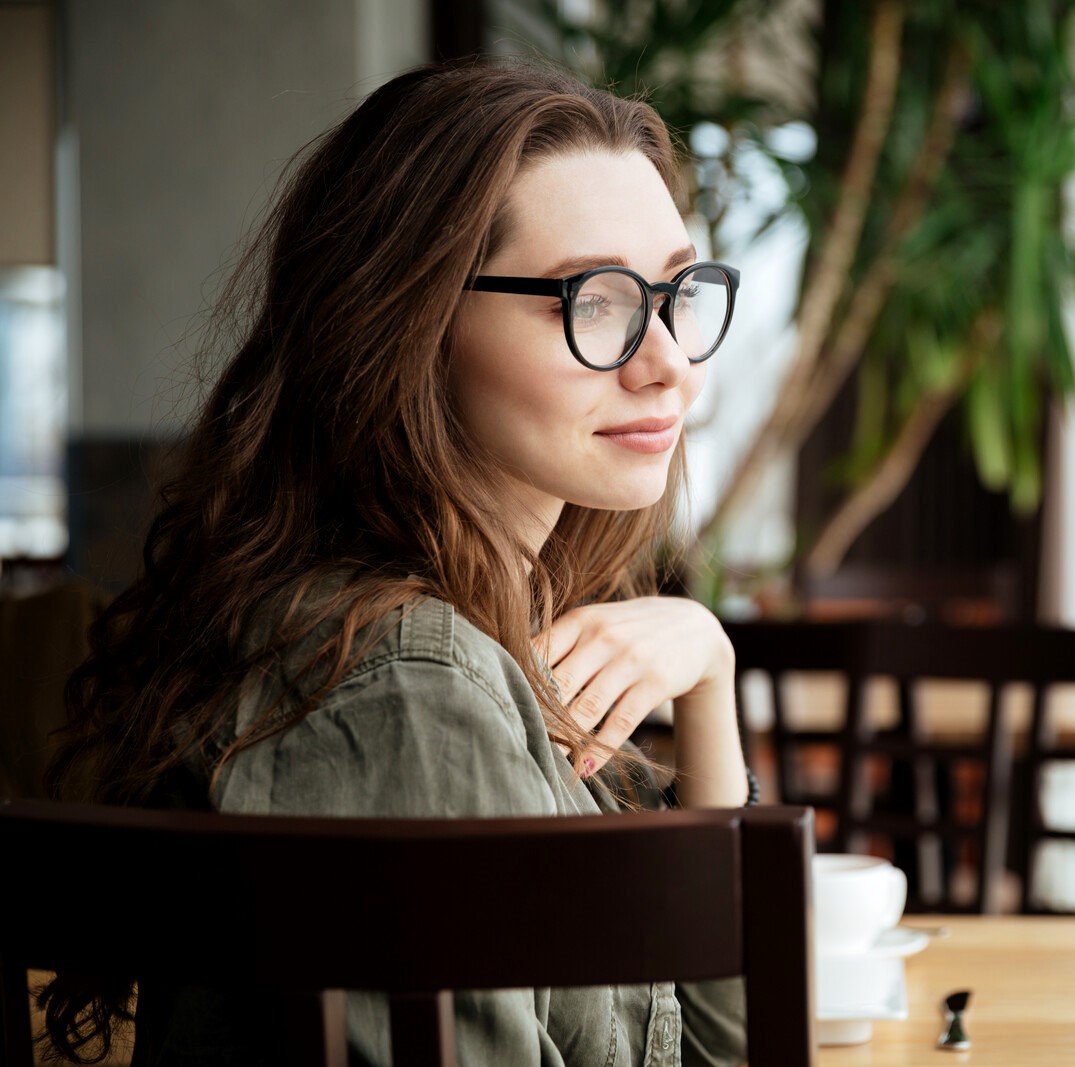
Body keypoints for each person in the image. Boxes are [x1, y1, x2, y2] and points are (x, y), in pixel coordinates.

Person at [40, 61, 751, 1067]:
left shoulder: (484, 628)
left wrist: (711, 673)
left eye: (677, 290)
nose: (670, 357)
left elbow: (724, 1047)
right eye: (595, 300)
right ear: (412, 324)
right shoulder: (407, 689)